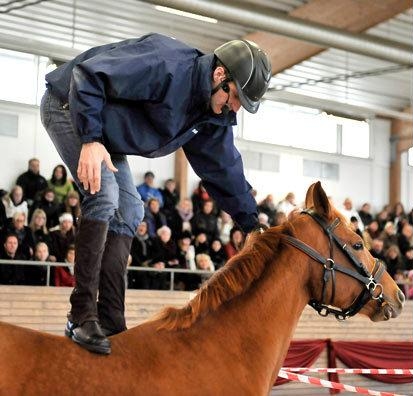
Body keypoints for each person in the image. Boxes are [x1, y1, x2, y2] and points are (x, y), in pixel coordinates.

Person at [40, 33, 271, 354]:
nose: (235, 109)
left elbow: (225, 169)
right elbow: (88, 75)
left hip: (102, 129)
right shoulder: (167, 65)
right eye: (236, 98)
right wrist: (90, 140)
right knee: (105, 192)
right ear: (220, 75)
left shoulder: (210, 114)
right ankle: (80, 315)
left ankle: (110, 319)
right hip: (70, 104)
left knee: (131, 210)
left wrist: (252, 226)